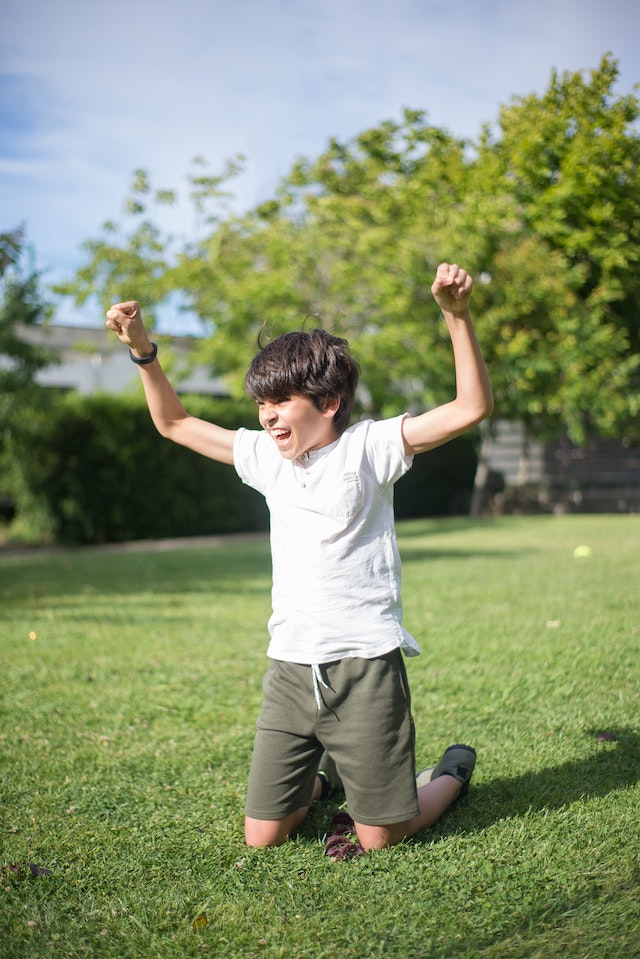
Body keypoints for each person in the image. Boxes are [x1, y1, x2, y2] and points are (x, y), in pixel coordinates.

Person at [105, 262, 493, 853]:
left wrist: (456, 316)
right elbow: (174, 422)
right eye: (264, 401)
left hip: (363, 664)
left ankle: (447, 778)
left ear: (330, 401)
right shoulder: (263, 457)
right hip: (290, 669)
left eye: (283, 400)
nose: (268, 414)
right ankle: (324, 775)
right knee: (262, 838)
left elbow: (470, 408)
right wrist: (143, 351)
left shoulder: (371, 448)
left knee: (379, 838)